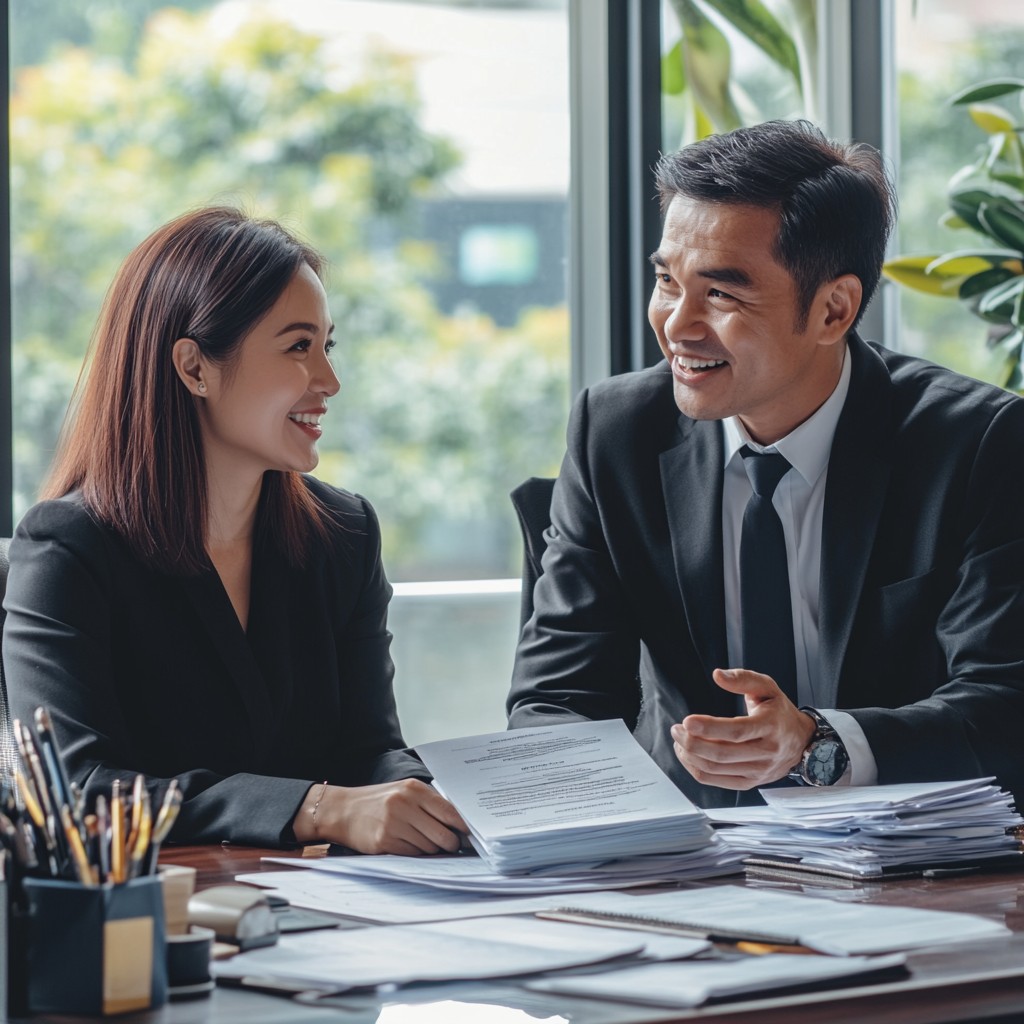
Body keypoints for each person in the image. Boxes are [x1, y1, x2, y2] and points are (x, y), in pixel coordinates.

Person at [507, 119, 1024, 809]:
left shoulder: (979, 444)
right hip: (685, 858)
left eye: (722, 293)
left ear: (834, 309)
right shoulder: (615, 432)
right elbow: (558, 697)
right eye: (668, 281)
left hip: (905, 866)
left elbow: (1005, 707)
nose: (677, 324)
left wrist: (819, 743)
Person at [4, 207, 467, 852]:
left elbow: (370, 751)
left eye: (326, 347)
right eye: (298, 347)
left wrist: (426, 798)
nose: (329, 381)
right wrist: (317, 808)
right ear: (195, 368)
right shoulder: (70, 549)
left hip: (330, 919)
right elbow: (77, 789)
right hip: (167, 925)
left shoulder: (345, 535)